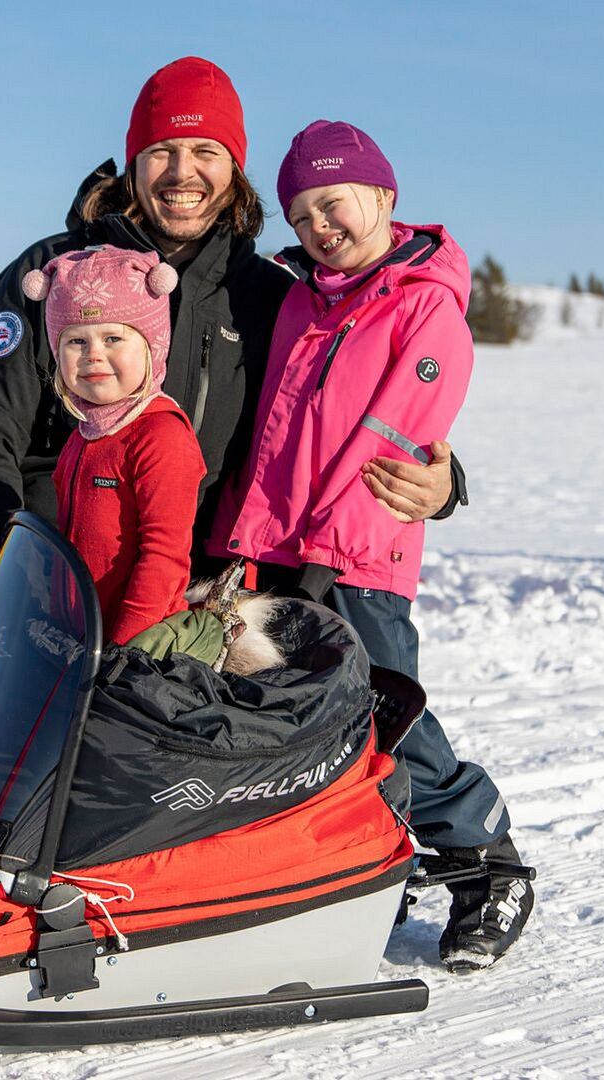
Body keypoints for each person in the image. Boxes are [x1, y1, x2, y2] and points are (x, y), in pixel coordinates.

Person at [0, 58, 461, 793]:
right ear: (133, 164)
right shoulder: (54, 273)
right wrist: (13, 565)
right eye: (162, 152)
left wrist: (444, 477)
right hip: (22, 555)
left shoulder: (275, 300)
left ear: (236, 170)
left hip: (170, 585)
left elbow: (344, 410)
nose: (183, 173)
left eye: (207, 153)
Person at [215, 119, 532, 971]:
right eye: (304, 213)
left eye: (335, 202)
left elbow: (395, 441)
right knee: (299, 729)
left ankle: (485, 861)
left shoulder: (423, 302)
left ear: (385, 198)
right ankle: (363, 870)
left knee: (386, 720)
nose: (322, 225)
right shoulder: (299, 297)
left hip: (355, 560)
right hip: (277, 553)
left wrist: (322, 554)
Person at [26, 247, 203, 644]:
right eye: (75, 342)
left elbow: (164, 558)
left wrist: (123, 650)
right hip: (83, 637)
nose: (93, 356)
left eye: (112, 338)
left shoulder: (160, 436)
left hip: (139, 650)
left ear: (151, 347)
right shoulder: (84, 434)